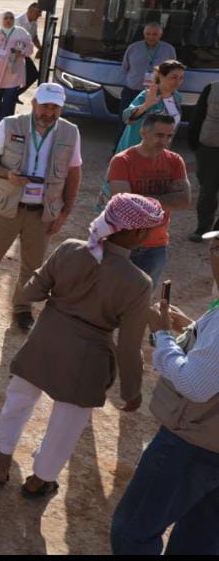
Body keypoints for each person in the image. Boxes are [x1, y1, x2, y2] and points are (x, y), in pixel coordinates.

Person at [0, 194, 165, 498]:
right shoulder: (139, 282)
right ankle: (38, 481)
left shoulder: (70, 248)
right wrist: (131, 390)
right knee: (65, 427)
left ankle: (2, 465)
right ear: (137, 233)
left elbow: (30, 293)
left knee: (17, 402)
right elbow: (128, 346)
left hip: (43, 341)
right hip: (87, 360)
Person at [110, 231, 219, 555]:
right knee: (199, 541)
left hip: (191, 445)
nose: (210, 255)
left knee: (133, 532)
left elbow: (195, 385)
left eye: (215, 248)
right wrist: (193, 328)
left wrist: (161, 336)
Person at [0, 83, 82, 332]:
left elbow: (74, 172)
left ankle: (22, 309)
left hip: (42, 212)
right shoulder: (10, 125)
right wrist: (7, 174)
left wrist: (65, 211)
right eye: (45, 106)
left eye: (55, 108)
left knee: (33, 267)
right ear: (33, 103)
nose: (49, 113)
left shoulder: (70, 133)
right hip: (6, 206)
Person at [107, 113, 191, 290]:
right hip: (123, 243)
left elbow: (184, 200)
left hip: (156, 244)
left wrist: (138, 198)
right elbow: (124, 205)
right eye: (159, 135)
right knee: (113, 295)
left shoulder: (175, 161)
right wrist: (167, 198)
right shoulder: (122, 161)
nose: (165, 141)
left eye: (169, 136)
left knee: (142, 298)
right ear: (143, 133)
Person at [114, 59, 186, 155]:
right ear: (161, 76)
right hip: (136, 151)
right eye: (174, 77)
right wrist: (146, 105)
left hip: (158, 152)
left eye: (181, 78)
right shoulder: (148, 94)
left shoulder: (177, 97)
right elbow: (126, 117)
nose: (178, 82)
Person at [0, 10, 35, 130]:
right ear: (2, 20)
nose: (9, 20)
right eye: (6, 18)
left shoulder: (21, 33)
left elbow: (30, 48)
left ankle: (6, 127)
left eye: (11, 18)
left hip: (12, 75)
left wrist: (21, 51)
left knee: (8, 103)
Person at [118, 23, 177, 121]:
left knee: (150, 123)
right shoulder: (133, 48)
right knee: (127, 120)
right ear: (144, 34)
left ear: (160, 35)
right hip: (131, 91)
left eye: (154, 34)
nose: (150, 37)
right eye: (148, 34)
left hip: (156, 93)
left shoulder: (169, 50)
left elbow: (172, 71)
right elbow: (125, 67)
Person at [188, 78, 219, 242]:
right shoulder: (212, 88)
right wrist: (194, 143)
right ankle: (202, 229)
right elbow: (198, 116)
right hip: (209, 149)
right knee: (208, 191)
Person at [17, 3, 43, 94]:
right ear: (30, 11)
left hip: (24, 54)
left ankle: (14, 95)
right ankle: (11, 96)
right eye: (37, 13)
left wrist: (40, 48)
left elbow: (34, 37)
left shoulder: (34, 23)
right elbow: (15, 40)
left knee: (33, 75)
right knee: (16, 77)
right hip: (15, 54)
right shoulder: (18, 21)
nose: (39, 16)